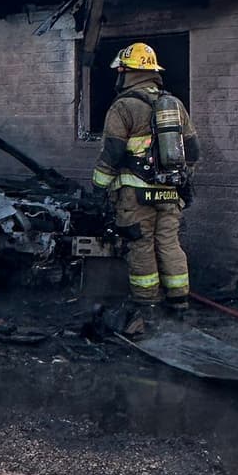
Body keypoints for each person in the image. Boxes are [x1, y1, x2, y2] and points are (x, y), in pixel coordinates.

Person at [92, 42, 200, 311]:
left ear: (127, 72)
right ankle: (179, 300)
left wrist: (98, 187)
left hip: (135, 192)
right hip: (170, 190)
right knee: (169, 243)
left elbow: (113, 152)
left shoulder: (123, 106)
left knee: (141, 244)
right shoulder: (174, 105)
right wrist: (183, 181)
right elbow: (193, 150)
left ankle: (147, 302)